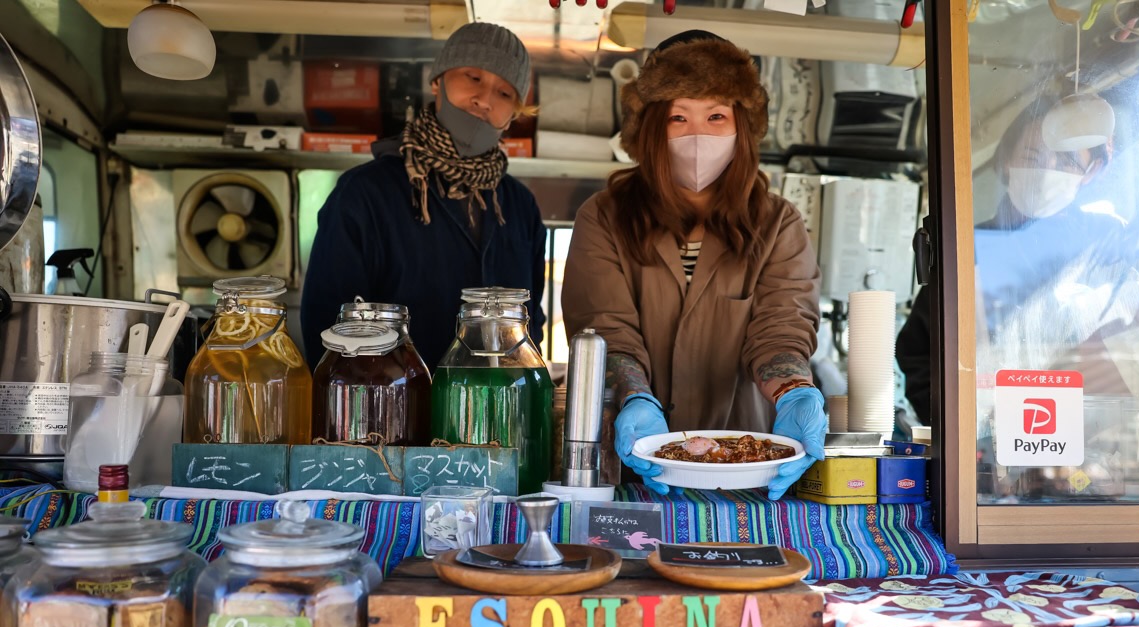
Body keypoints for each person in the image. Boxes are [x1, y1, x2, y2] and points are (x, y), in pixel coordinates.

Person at [561, 30, 826, 500]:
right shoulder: (603, 216)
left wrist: (794, 392)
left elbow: (780, 329)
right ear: (651, 128)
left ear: (742, 128)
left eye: (717, 115)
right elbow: (606, 328)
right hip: (634, 464)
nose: (698, 134)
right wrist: (635, 398)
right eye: (678, 116)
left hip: (746, 466)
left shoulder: (778, 224)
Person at [300, 22, 547, 371]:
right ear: (438, 81)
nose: (485, 100)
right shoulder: (364, 195)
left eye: (505, 93)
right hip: (390, 418)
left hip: (497, 416)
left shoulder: (520, 207)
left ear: (513, 115)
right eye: (472, 77)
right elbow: (326, 333)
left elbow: (530, 327)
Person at [896, 100, 1123, 423]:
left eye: (1067, 162)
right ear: (1006, 161)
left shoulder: (1106, 246)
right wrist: (954, 422)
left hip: (1083, 440)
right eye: (1033, 157)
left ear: (1092, 171)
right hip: (981, 441)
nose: (1047, 172)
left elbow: (1129, 345)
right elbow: (918, 351)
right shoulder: (964, 247)